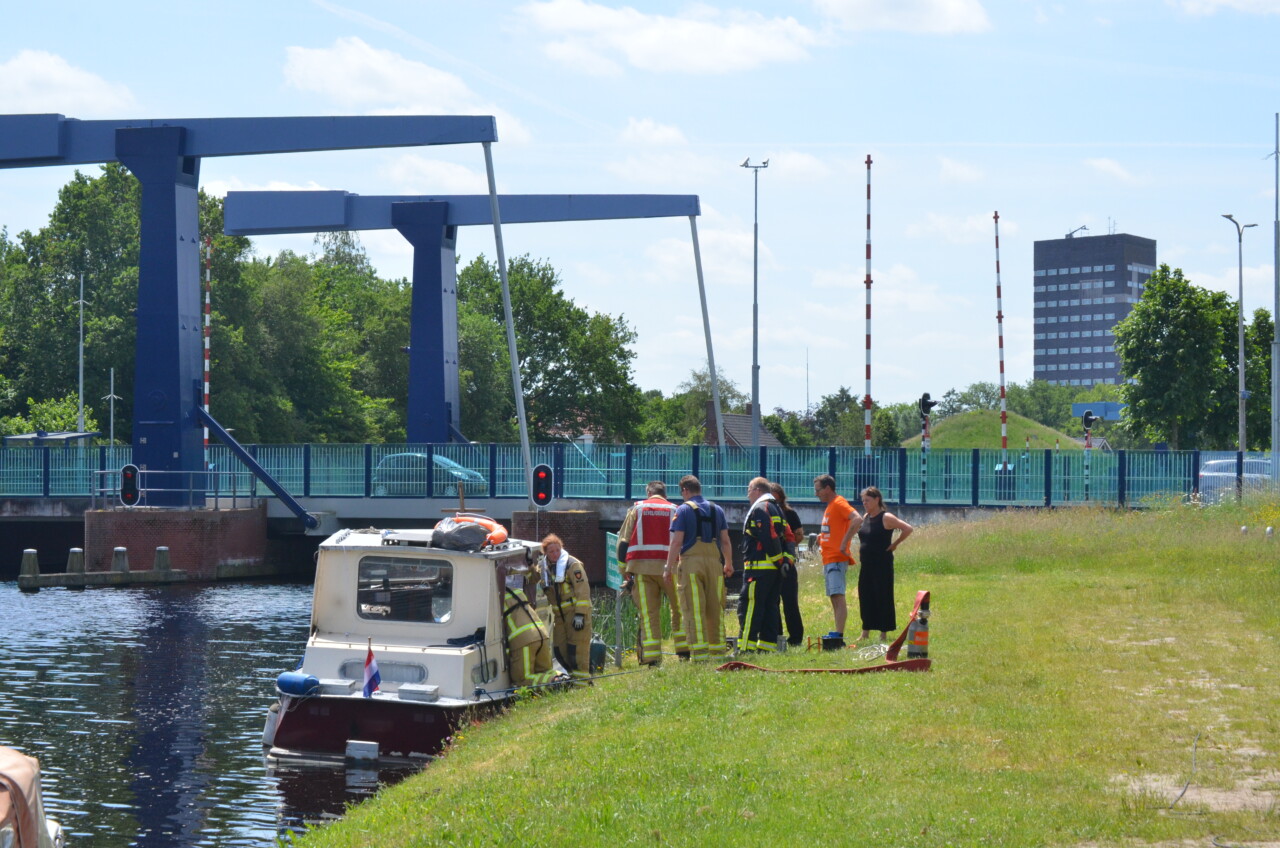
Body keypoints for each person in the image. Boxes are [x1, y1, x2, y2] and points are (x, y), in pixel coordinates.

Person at [616, 481, 687, 664]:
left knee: (649, 615)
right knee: (679, 609)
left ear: (648, 492)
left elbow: (623, 542)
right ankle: (684, 651)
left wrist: (623, 568)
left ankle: (652, 659)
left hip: (642, 569)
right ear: (665, 494)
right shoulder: (675, 509)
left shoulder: (637, 509)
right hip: (671, 568)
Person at [664, 475, 734, 659]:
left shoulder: (683, 510)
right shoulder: (717, 509)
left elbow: (677, 542)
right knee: (715, 608)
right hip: (714, 562)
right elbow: (725, 541)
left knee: (693, 608)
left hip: (691, 563)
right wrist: (728, 563)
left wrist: (668, 568)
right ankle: (718, 652)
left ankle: (700, 654)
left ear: (685, 490)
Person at [853, 486, 914, 643]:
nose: (864, 503)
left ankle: (883, 632)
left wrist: (896, 544)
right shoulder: (866, 516)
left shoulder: (886, 517)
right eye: (863, 501)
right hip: (866, 563)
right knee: (865, 595)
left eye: (867, 500)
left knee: (882, 595)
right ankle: (865, 631)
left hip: (882, 564)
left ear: (877, 499)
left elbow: (907, 529)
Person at [738, 477, 785, 652]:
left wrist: (776, 559)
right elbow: (785, 536)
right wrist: (782, 562)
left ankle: (745, 647)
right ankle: (767, 647)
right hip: (772, 570)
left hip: (758, 568)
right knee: (770, 607)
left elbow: (768, 536)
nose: (748, 494)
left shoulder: (760, 508)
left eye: (749, 490)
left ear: (757, 490)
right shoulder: (776, 508)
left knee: (750, 606)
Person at [813, 474, 860, 648]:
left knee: (838, 596)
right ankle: (837, 633)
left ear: (827, 488)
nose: (816, 494)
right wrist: (822, 537)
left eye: (818, 490)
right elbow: (832, 529)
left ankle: (839, 636)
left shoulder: (839, 503)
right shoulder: (830, 506)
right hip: (828, 558)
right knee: (834, 596)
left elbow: (857, 519)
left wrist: (844, 543)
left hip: (836, 558)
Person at [539, 534, 592, 680]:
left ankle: (582, 682)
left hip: (574, 613)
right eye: (551, 552)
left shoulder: (572, 565)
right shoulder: (544, 568)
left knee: (578, 649)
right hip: (559, 617)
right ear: (546, 553)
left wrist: (580, 614)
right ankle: (573, 677)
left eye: (557, 550)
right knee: (559, 649)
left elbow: (583, 590)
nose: (555, 554)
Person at [501, 565, 558, 689]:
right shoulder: (517, 592)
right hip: (542, 634)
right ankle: (560, 679)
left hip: (524, 641)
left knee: (522, 680)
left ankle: (555, 682)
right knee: (545, 672)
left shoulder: (497, 599)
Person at [769, 482, 804, 648]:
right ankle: (777, 636)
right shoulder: (765, 512)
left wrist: (787, 543)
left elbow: (799, 535)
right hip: (771, 564)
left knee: (790, 602)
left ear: (781, 497)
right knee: (773, 602)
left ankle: (796, 637)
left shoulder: (790, 514)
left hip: (787, 563)